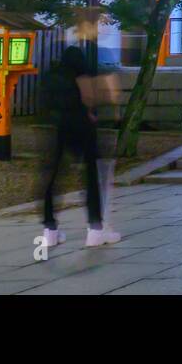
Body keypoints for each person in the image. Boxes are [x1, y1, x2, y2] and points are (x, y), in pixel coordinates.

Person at [38, 32, 120, 249]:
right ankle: (95, 230)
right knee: (91, 176)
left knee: (53, 178)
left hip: (58, 129)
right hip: (81, 127)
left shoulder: (50, 76)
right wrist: (93, 113)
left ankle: (49, 230)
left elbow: (43, 104)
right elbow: (89, 98)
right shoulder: (80, 75)